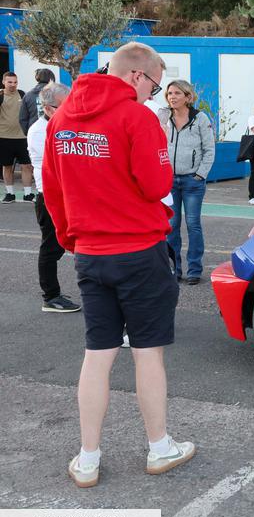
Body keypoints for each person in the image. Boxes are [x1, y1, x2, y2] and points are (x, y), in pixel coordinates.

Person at [43, 41, 195, 488]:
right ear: (136, 76)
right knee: (148, 353)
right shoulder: (137, 117)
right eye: (154, 83)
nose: (154, 94)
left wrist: (73, 237)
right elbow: (155, 185)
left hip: (90, 253)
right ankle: (159, 446)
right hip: (138, 252)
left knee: (98, 355)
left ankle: (87, 458)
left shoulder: (63, 118)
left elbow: (52, 190)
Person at [26, 82, 80, 313]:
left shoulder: (60, 125)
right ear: (48, 109)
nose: (70, 109)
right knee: (51, 248)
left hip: (65, 194)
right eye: (64, 105)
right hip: (49, 196)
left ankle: (53, 294)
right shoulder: (41, 130)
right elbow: (59, 165)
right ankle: (51, 296)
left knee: (62, 245)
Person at [164, 79, 215, 285]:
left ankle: (194, 269)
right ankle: (174, 269)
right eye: (169, 94)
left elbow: (209, 149)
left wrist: (200, 174)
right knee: (171, 225)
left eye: (177, 93)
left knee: (193, 224)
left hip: (193, 181)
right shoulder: (164, 117)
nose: (172, 97)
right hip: (169, 181)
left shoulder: (200, 118)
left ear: (188, 96)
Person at [1, 71, 34, 203]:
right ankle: (10, 194)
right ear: (3, 82)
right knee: (7, 166)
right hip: (4, 137)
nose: (12, 85)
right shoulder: (0, 95)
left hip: (23, 137)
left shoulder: (22, 94)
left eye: (15, 82)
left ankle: (28, 194)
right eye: (9, 82)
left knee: (27, 166)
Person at [20, 68, 55, 134]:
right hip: (53, 131)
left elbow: (22, 118)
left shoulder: (28, 95)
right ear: (51, 78)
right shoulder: (57, 94)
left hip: (34, 131)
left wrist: (28, 132)